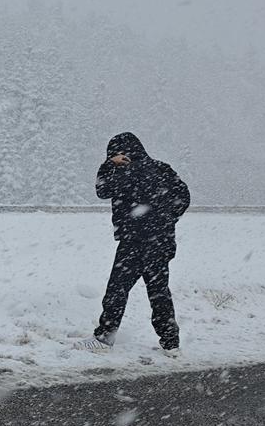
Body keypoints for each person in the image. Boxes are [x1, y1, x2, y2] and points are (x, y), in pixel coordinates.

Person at [81, 132, 190, 354]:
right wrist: (167, 219)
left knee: (117, 289)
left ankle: (103, 339)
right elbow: (184, 196)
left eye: (114, 154)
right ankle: (171, 342)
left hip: (135, 241)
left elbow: (101, 190)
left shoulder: (123, 171)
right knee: (159, 291)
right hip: (161, 241)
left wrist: (108, 165)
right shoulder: (162, 168)